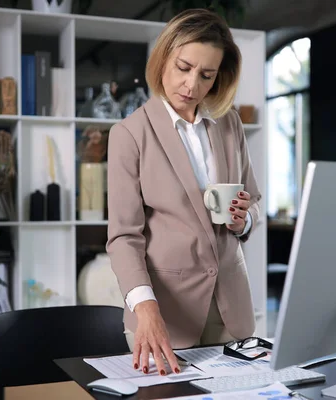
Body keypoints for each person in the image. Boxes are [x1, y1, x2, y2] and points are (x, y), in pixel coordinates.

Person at [106, 8, 262, 377]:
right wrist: (145, 308)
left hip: (232, 312)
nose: (191, 85)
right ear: (163, 59)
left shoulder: (230, 123)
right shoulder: (130, 134)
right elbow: (124, 237)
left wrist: (244, 221)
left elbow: (252, 199)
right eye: (183, 67)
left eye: (206, 75)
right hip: (165, 317)